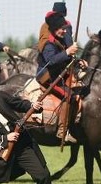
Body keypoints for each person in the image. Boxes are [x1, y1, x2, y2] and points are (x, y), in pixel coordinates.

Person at [36, 11, 87, 143]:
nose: (64, 32)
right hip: (47, 79)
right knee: (68, 95)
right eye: (61, 29)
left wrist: (78, 61)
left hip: (58, 77)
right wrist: (67, 52)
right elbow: (51, 61)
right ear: (53, 29)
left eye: (64, 29)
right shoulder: (48, 44)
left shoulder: (59, 41)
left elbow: (65, 59)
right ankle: (61, 131)